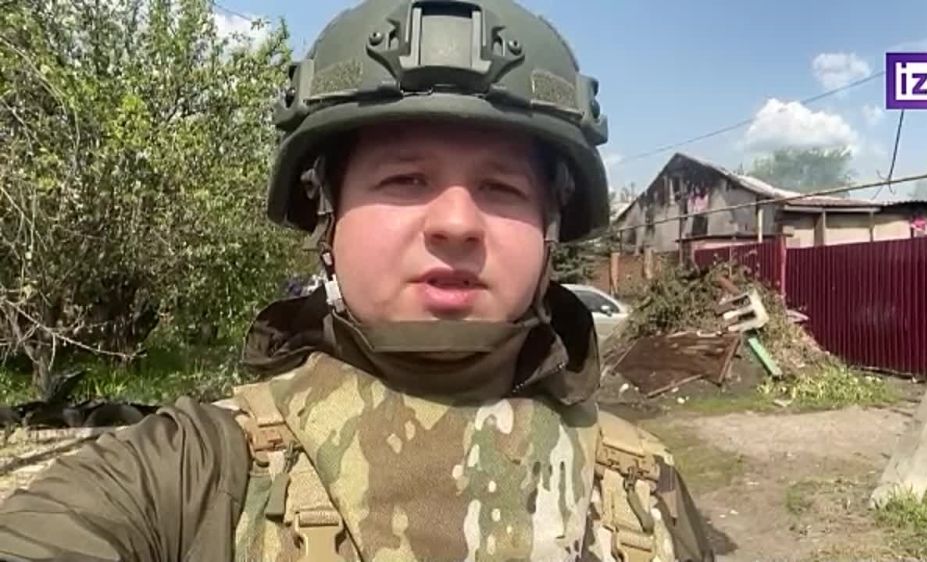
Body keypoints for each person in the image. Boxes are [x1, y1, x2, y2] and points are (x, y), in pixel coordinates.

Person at [0, 0, 714, 560]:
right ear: (328, 219)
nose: (456, 223)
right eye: (405, 179)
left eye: (501, 188)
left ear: (549, 229)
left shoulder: (642, 488)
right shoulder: (190, 474)